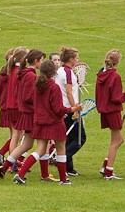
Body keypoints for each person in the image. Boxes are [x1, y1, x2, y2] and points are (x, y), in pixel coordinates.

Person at [13, 60, 80, 185]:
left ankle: (20, 174)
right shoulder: (54, 87)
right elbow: (58, 109)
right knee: (61, 150)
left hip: (40, 122)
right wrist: (74, 109)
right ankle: (63, 180)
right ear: (54, 72)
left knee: (40, 150)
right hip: (54, 123)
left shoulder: (37, 85)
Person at [0, 49, 46, 177]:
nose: (42, 63)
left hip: (25, 113)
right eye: (41, 60)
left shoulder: (23, 73)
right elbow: (28, 97)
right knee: (42, 146)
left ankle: (5, 166)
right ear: (36, 61)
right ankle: (29, 174)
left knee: (26, 144)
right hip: (30, 114)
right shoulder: (31, 75)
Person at [95, 49, 125, 180]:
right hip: (112, 110)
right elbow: (116, 98)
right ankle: (109, 172)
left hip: (104, 110)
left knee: (119, 139)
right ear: (118, 62)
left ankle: (105, 166)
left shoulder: (101, 74)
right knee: (116, 141)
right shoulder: (115, 76)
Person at [58, 46, 86, 175]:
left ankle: (69, 168)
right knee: (80, 138)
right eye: (76, 57)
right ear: (70, 59)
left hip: (62, 108)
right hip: (69, 108)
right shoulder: (68, 73)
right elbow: (69, 93)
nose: (78, 60)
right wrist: (75, 109)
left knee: (69, 138)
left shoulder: (59, 71)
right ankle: (62, 158)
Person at [0, 49, 15, 166]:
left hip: (5, 106)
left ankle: (12, 160)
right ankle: (3, 154)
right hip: (11, 107)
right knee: (17, 135)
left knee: (14, 135)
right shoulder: (11, 74)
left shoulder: (3, 72)